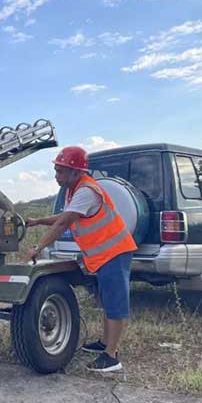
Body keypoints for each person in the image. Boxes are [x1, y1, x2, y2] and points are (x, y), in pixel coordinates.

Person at [26, 146, 137, 373]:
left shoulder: (86, 190)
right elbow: (64, 216)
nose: (56, 175)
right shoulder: (75, 189)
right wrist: (38, 221)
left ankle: (111, 357)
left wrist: (39, 247)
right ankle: (105, 344)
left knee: (115, 304)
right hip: (106, 255)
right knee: (107, 301)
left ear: (76, 172)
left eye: (61, 171)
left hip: (115, 252)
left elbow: (64, 223)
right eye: (56, 170)